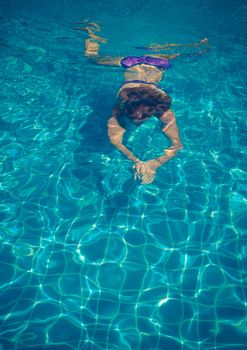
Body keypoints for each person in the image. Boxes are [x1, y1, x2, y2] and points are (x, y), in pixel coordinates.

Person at [75, 21, 210, 184]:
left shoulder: (161, 109)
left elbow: (177, 144)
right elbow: (114, 140)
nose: (137, 123)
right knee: (93, 59)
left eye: (140, 119)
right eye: (134, 119)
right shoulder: (122, 103)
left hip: (138, 64)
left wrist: (154, 163)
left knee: (94, 59)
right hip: (150, 63)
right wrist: (136, 160)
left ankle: (196, 47)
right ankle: (91, 32)